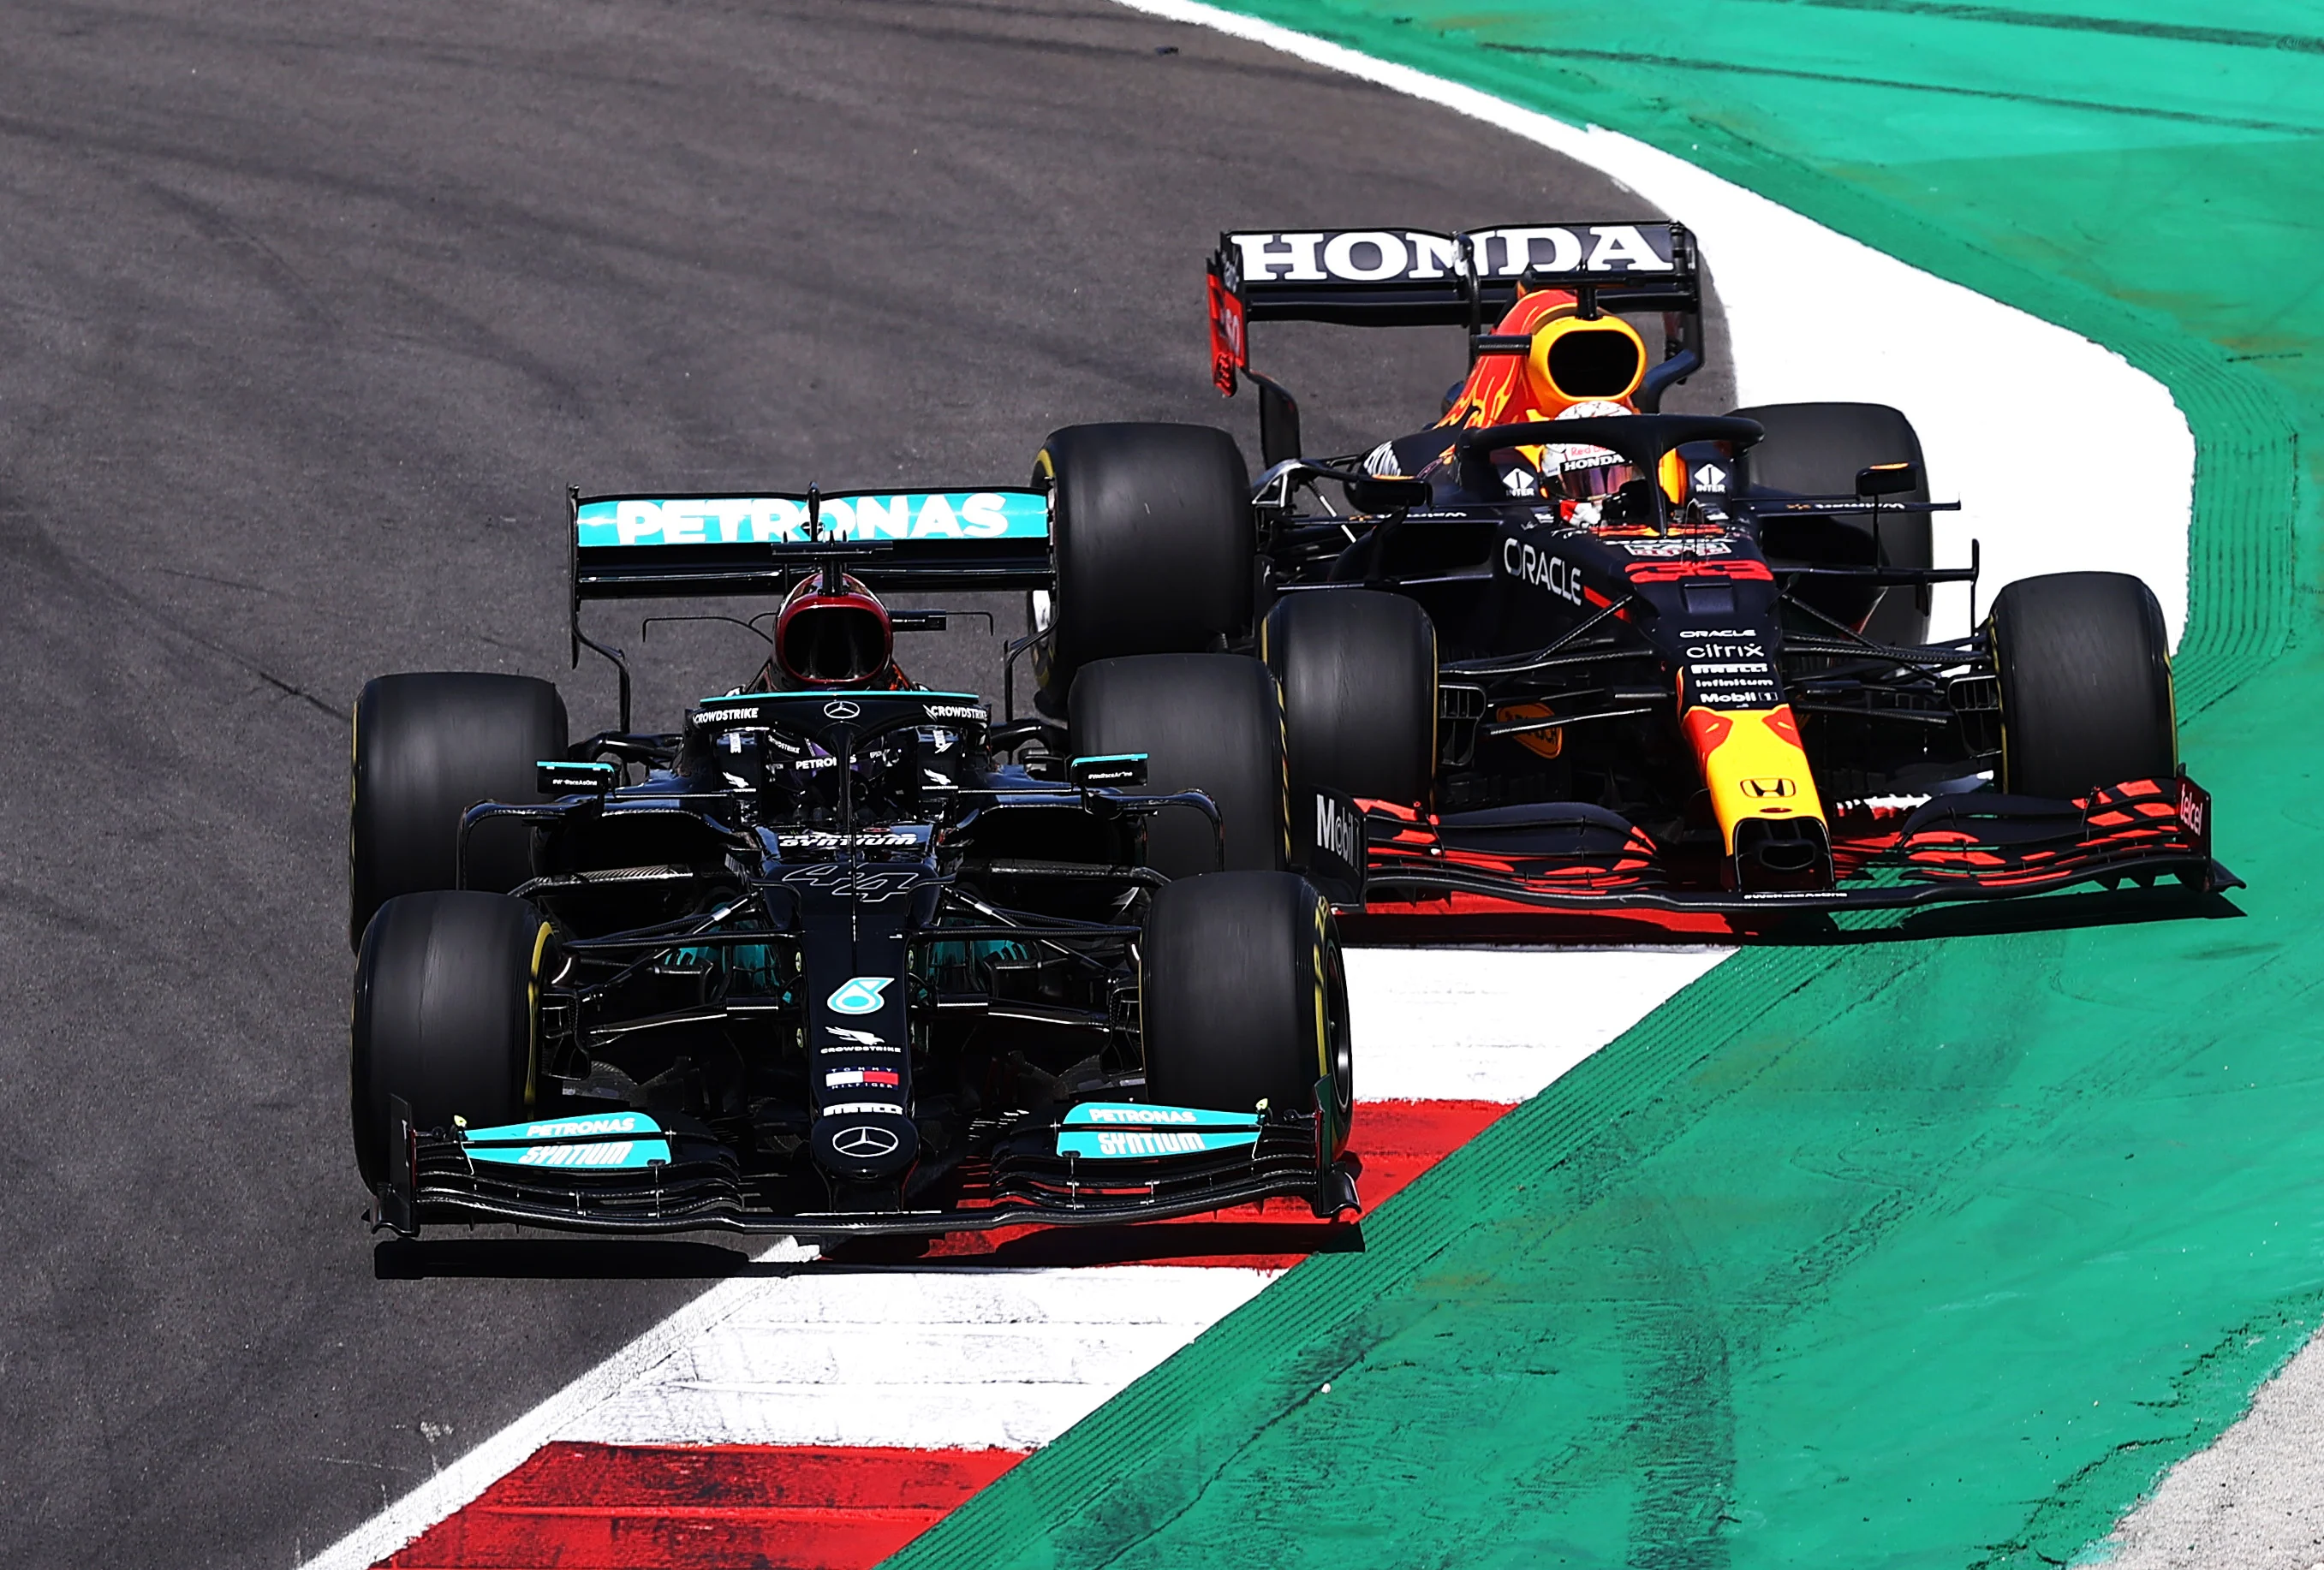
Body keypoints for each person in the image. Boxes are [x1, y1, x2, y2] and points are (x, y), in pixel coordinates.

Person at [1362, 284, 1653, 508]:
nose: (1602, 495)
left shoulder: (1645, 448)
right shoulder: (1492, 463)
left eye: (1613, 476)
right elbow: (1365, 478)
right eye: (1587, 482)